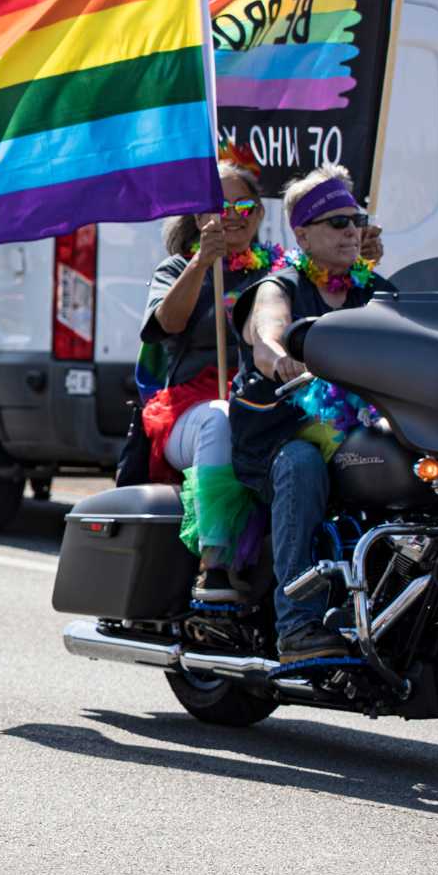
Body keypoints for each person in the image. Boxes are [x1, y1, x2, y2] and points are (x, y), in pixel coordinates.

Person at [233, 165, 387, 663]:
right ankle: (297, 623)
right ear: (302, 232)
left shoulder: (373, 291)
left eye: (356, 220)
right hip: (279, 436)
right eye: (336, 222)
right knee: (302, 462)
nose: (351, 231)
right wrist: (278, 355)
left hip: (358, 433)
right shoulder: (281, 286)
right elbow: (267, 331)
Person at [141, 157, 275, 604]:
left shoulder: (278, 271)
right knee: (221, 418)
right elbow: (170, 324)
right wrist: (201, 263)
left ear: (258, 214)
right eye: (219, 206)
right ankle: (214, 564)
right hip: (190, 412)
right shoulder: (175, 268)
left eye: (243, 206)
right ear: (199, 216)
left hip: (264, 404)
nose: (231, 216)